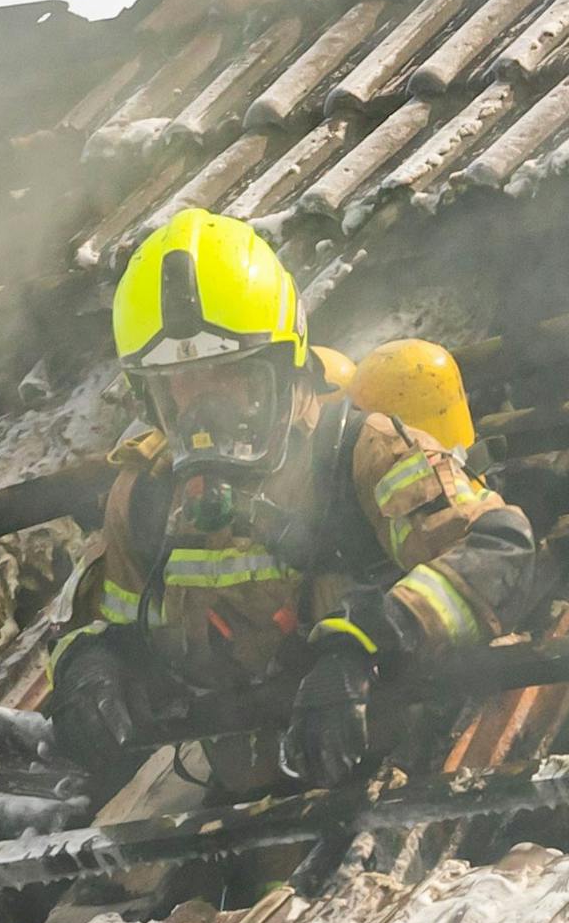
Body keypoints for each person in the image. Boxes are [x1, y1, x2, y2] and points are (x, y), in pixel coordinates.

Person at [46, 209, 534, 792]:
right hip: (244, 796)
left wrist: (363, 648)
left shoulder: (360, 453)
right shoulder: (145, 497)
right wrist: (89, 665)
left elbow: (499, 548)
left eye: (228, 377)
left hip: (405, 768)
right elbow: (105, 627)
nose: (201, 410)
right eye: (177, 385)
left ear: (286, 364)